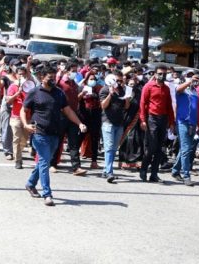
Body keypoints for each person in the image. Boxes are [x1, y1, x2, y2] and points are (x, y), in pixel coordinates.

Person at [22, 66, 88, 206]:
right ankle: (47, 194)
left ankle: (30, 183)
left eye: (54, 77)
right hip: (39, 132)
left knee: (44, 162)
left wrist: (79, 123)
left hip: (55, 133)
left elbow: (68, 110)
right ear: (42, 77)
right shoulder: (35, 92)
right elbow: (24, 110)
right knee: (44, 162)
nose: (52, 80)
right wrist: (25, 124)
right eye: (49, 77)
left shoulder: (59, 93)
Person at [139, 65, 175, 182]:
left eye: (164, 74)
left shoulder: (166, 88)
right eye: (159, 73)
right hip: (151, 118)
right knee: (151, 146)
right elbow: (142, 103)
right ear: (154, 74)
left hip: (163, 119)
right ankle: (143, 169)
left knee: (160, 148)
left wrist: (171, 122)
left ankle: (154, 174)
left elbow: (169, 106)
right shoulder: (148, 86)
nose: (162, 76)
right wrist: (143, 120)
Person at [99, 70, 130, 183]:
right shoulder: (105, 89)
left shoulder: (122, 90)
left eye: (121, 81)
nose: (119, 83)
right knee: (109, 148)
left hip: (119, 123)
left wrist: (127, 97)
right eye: (117, 80)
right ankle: (109, 172)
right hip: (108, 123)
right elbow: (103, 106)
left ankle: (106, 170)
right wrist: (110, 94)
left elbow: (126, 107)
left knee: (113, 149)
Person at [171, 70, 199, 186]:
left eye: (194, 77)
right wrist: (189, 82)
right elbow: (178, 90)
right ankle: (186, 175)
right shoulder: (181, 88)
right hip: (182, 122)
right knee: (186, 149)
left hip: (193, 123)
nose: (192, 78)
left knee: (185, 149)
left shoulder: (195, 92)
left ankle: (175, 170)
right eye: (189, 76)